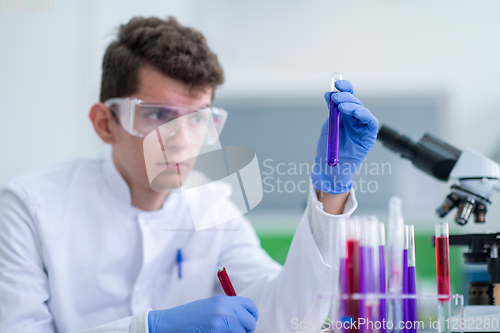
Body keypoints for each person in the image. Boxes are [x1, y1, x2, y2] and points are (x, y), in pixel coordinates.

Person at [0, 16, 378, 333]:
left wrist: (332, 188)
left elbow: (289, 318)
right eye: (158, 115)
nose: (181, 141)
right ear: (105, 123)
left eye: (198, 118)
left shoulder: (211, 207)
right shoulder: (29, 208)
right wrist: (146, 328)